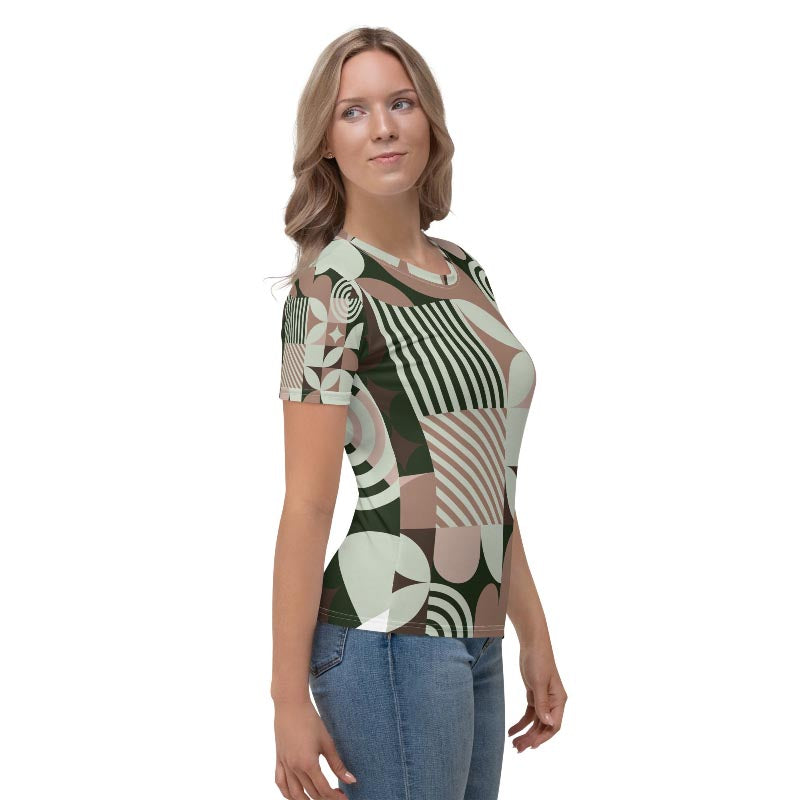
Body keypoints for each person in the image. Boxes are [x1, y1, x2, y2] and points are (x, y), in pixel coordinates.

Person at [271, 27, 567, 800]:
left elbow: (487, 482)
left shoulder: (466, 272)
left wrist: (533, 634)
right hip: (386, 635)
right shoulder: (323, 293)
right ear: (326, 141)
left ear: (429, 119)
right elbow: (306, 504)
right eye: (354, 111)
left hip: (476, 635)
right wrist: (285, 700)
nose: (383, 127)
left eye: (400, 103)